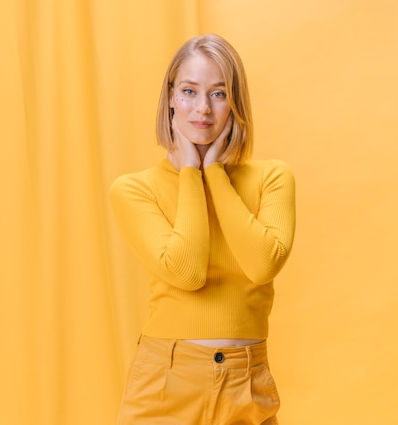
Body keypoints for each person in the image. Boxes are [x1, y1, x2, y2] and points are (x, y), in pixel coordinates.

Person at [110, 34, 296, 425]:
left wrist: (215, 172)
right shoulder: (134, 189)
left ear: (235, 103)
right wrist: (191, 175)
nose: (203, 110)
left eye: (218, 94)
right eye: (189, 91)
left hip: (246, 384)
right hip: (166, 382)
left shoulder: (272, 178)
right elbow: (187, 272)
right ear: (171, 98)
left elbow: (262, 265)